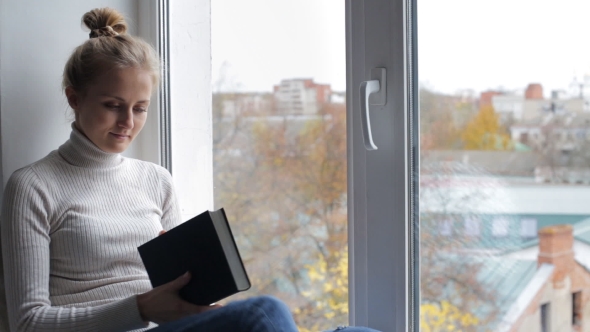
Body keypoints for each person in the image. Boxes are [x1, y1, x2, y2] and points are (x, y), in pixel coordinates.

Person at [0, 7, 381, 332]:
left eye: (140, 107)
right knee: (267, 312)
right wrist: (141, 308)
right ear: (74, 97)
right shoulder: (33, 186)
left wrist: (196, 303)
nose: (127, 122)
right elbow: (29, 321)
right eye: (113, 105)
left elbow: (178, 287)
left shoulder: (155, 180)